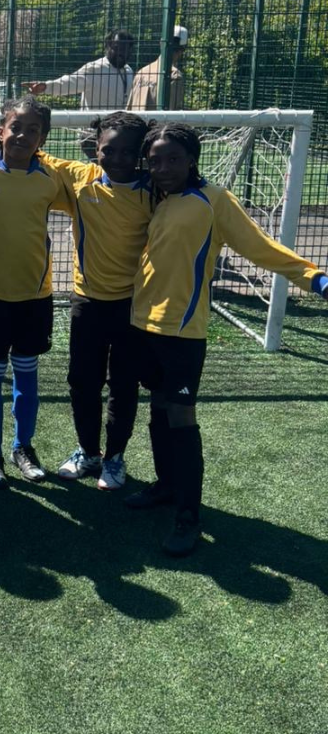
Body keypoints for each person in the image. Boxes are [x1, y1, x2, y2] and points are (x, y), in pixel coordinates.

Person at [125, 122, 328, 556]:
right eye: (155, 160)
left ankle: (188, 517)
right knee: (158, 407)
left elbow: (259, 247)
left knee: (181, 417)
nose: (163, 168)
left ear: (192, 160)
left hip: (183, 331)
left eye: (173, 159)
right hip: (143, 325)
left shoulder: (213, 199)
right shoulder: (157, 197)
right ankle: (166, 485)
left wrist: (314, 277)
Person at [0, 97, 77, 486]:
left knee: (26, 376)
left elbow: (88, 183)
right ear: (0, 131)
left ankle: (23, 446)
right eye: (15, 127)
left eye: (33, 130)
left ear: (44, 138)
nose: (22, 135)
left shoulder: (51, 178)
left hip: (35, 297)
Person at [47, 112, 154, 491]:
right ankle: (89, 451)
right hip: (87, 302)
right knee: (82, 381)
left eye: (128, 152)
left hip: (132, 305)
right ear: (96, 149)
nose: (118, 158)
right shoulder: (81, 178)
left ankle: (115, 457)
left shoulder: (155, 191)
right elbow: (31, 152)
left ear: (141, 154)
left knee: (123, 385)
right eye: (109, 150)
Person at [24, 28, 135, 112]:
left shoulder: (129, 71)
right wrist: (46, 87)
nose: (121, 52)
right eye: (117, 47)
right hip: (93, 131)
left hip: (120, 130)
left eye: (126, 49)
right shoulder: (95, 68)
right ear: (108, 46)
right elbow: (71, 82)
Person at [127, 26, 188, 112]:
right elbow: (172, 113)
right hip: (157, 121)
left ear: (161, 44)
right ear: (182, 50)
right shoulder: (174, 75)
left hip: (136, 120)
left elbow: (129, 108)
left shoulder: (142, 72)